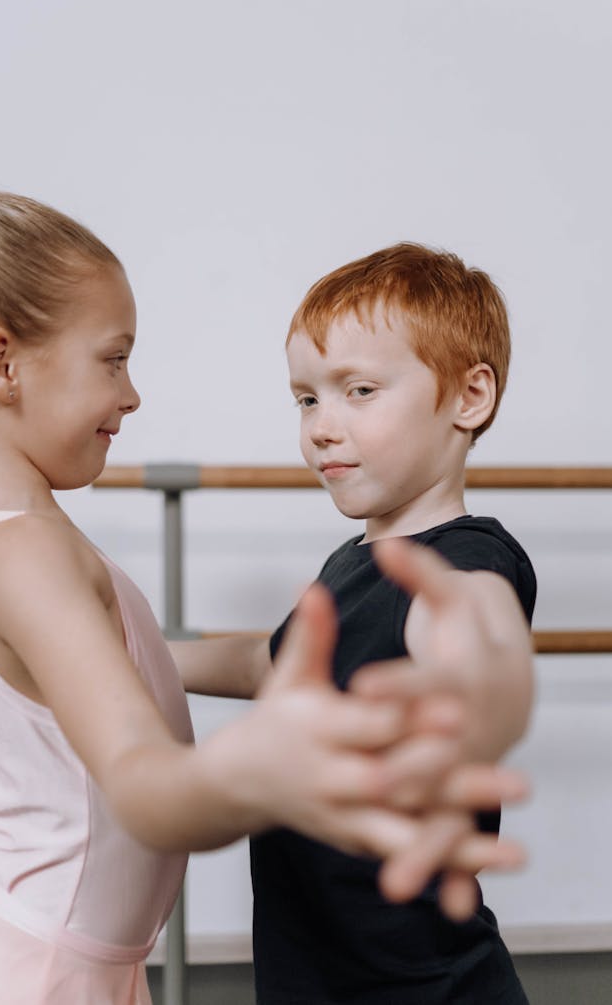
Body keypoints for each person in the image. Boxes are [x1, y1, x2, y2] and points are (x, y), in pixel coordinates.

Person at [0, 171, 524, 1005]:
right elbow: (144, 778)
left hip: (73, 959)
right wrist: (268, 768)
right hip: (31, 973)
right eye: (113, 359)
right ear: (0, 364)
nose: (132, 391)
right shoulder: (22, 553)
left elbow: (324, 649)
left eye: (357, 391)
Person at [172, 243, 535, 1003]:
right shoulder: (351, 560)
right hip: (316, 974)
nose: (321, 427)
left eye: (359, 390)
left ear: (470, 396)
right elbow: (274, 663)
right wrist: (140, 652)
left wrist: (471, 675)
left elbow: (471, 627)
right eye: (306, 399)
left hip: (422, 988)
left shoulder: (465, 558)